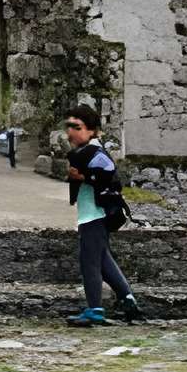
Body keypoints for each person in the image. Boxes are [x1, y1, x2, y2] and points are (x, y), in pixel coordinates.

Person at [61, 106, 147, 326]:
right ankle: (128, 300)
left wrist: (83, 176)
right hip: (92, 214)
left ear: (92, 131)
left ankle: (95, 309)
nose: (71, 132)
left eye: (77, 127)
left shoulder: (92, 152)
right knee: (102, 260)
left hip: (94, 215)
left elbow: (109, 175)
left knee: (89, 261)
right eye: (69, 126)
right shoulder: (88, 151)